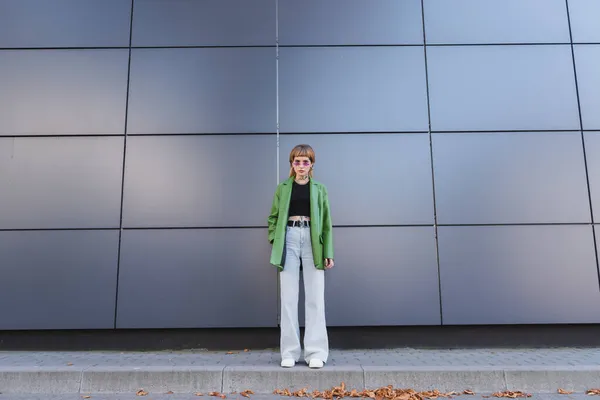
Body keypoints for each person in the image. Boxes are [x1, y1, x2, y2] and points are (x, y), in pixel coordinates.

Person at [267, 144, 334, 369]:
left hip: (313, 240)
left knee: (315, 296)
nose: (301, 166)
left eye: (306, 161)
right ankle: (290, 352)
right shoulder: (283, 188)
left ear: (312, 164)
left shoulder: (320, 189)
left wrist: (328, 252)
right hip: (289, 237)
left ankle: (316, 352)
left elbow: (326, 223)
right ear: (292, 164)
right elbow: (273, 218)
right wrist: (274, 240)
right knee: (288, 298)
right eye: (297, 161)